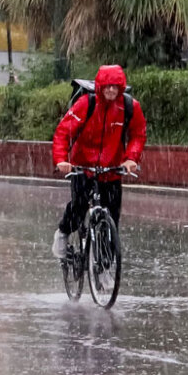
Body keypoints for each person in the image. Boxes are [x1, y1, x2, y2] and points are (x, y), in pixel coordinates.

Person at [50, 64, 148, 259]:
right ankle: (62, 234)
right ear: (100, 86)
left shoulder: (129, 107)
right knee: (78, 207)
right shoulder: (86, 104)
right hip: (83, 167)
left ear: (121, 87)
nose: (111, 90)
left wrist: (131, 158)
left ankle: (105, 267)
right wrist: (61, 160)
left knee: (112, 220)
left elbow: (138, 134)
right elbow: (63, 132)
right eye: (107, 86)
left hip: (111, 170)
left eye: (116, 86)